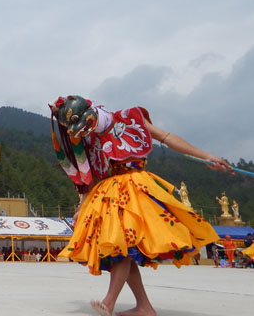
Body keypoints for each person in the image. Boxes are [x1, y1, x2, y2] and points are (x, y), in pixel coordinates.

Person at [49, 96, 230, 316]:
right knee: (119, 249)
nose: (84, 132)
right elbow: (93, 179)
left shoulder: (128, 118)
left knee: (122, 244)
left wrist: (206, 157)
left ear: (92, 112)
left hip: (134, 188)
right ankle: (144, 307)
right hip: (107, 194)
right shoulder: (90, 141)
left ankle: (109, 301)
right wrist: (82, 206)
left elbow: (165, 137)